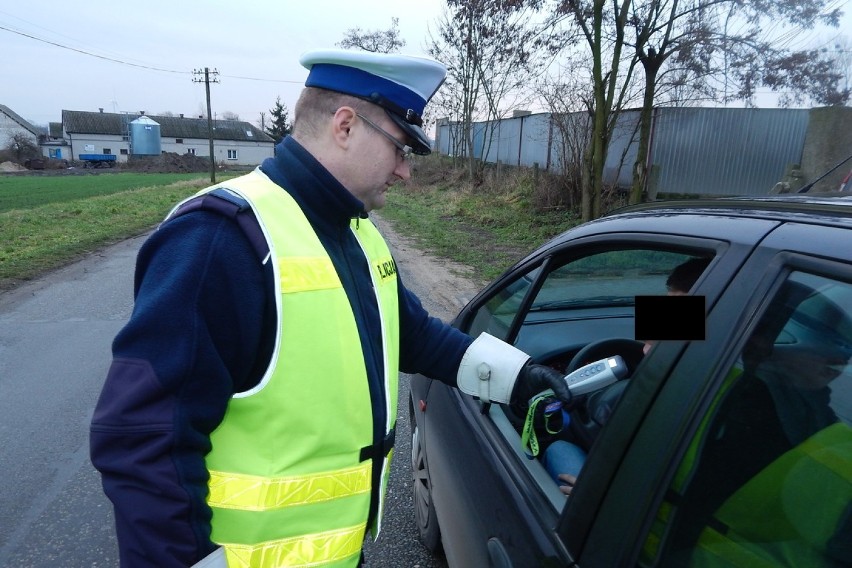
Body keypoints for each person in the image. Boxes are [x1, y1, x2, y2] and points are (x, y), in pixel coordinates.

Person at [89, 49, 572, 568]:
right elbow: (142, 439)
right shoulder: (220, 240)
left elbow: (412, 334)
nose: (406, 172)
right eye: (401, 149)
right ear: (345, 125)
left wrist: (518, 378)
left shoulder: (357, 233)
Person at [543, 256, 712, 495]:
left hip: (647, 519)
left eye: (678, 317)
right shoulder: (721, 375)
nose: (649, 336)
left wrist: (608, 495)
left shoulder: (697, 396)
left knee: (558, 449)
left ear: (713, 325)